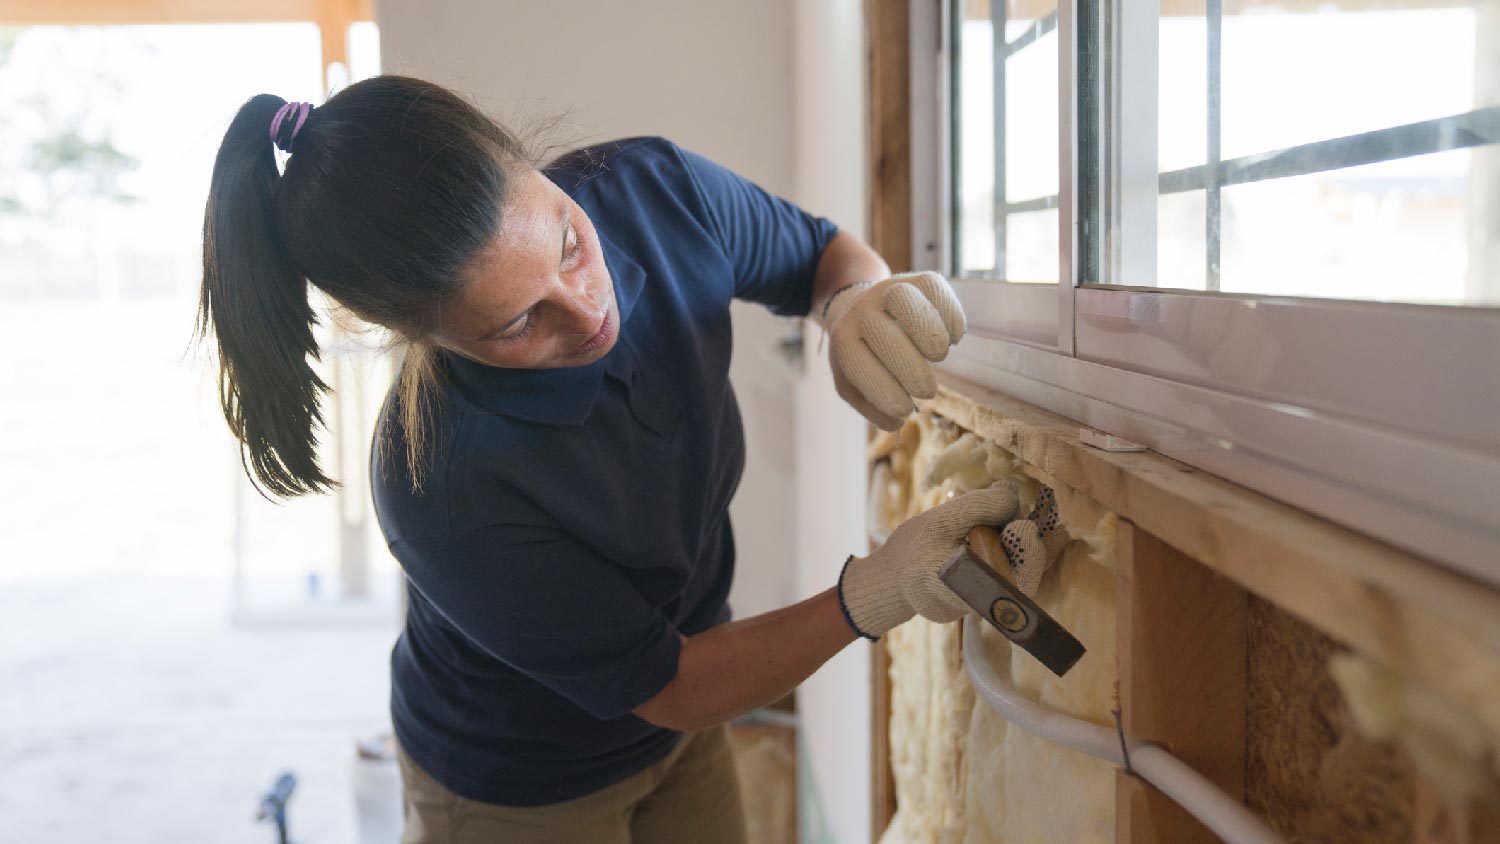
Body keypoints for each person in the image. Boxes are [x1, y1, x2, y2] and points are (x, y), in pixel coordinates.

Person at [197, 75, 1057, 844]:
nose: (587, 310)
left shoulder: (652, 192)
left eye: (569, 243)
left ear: (533, 168)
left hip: (686, 725)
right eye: (517, 324)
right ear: (421, 338)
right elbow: (672, 681)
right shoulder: (437, 481)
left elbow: (821, 256)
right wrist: (878, 589)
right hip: (516, 786)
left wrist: (853, 304)